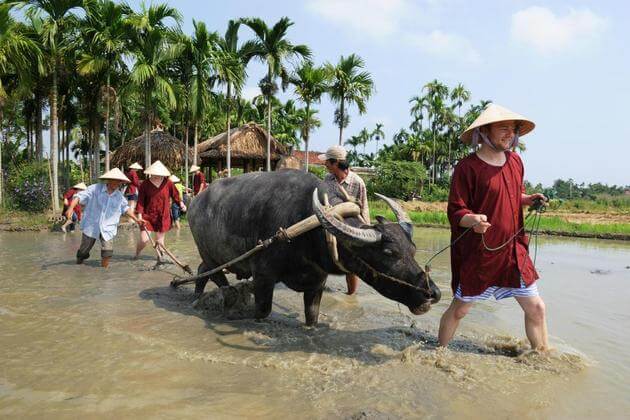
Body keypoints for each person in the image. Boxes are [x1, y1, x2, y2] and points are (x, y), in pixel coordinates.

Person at [438, 104, 549, 351]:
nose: (510, 134)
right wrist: (473, 220)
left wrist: (528, 199)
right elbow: (456, 210)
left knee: (537, 308)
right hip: (481, 253)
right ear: (484, 132)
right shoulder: (467, 168)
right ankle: (439, 353)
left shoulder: (515, 161)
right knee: (461, 309)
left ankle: (543, 356)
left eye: (513, 129)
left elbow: (512, 195)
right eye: (503, 128)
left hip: (513, 251)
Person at [65, 168, 144, 268]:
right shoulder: (95, 189)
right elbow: (79, 196)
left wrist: (137, 219)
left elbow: (125, 208)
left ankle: (104, 272)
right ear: (108, 180)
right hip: (92, 225)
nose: (116, 183)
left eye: (119, 181)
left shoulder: (119, 196)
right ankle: (79, 264)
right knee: (83, 251)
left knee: (107, 253)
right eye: (114, 180)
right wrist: (71, 208)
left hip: (108, 227)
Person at [318, 145, 370, 295]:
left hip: (350, 228)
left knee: (351, 265)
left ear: (335, 163)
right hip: (330, 224)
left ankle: (351, 295)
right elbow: (323, 200)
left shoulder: (357, 182)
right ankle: (319, 287)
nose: (325, 164)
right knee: (324, 258)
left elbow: (364, 208)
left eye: (327, 161)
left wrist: (364, 232)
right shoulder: (327, 179)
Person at [134, 161, 186, 258]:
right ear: (151, 173)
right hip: (147, 216)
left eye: (158, 174)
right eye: (154, 174)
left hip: (163, 216)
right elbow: (140, 201)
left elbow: (175, 195)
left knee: (160, 242)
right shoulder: (145, 184)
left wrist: (181, 204)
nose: (156, 176)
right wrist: (139, 216)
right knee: (144, 240)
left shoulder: (168, 183)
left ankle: (159, 259)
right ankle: (137, 254)